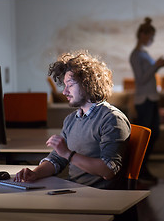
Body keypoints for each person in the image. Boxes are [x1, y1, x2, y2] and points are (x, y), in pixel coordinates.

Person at [14, 50, 131, 190]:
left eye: (70, 85)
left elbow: (108, 170)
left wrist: (68, 154)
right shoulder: (72, 119)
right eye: (64, 86)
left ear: (88, 84)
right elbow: (57, 158)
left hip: (98, 198)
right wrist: (35, 173)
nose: (64, 92)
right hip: (74, 191)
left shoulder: (112, 119)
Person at [129, 17, 164, 184]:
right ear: (143, 34)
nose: (152, 40)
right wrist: (156, 66)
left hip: (151, 98)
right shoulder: (135, 55)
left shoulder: (144, 53)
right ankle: (139, 168)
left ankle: (143, 167)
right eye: (151, 36)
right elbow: (141, 79)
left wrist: (157, 66)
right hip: (144, 99)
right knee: (147, 135)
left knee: (155, 133)